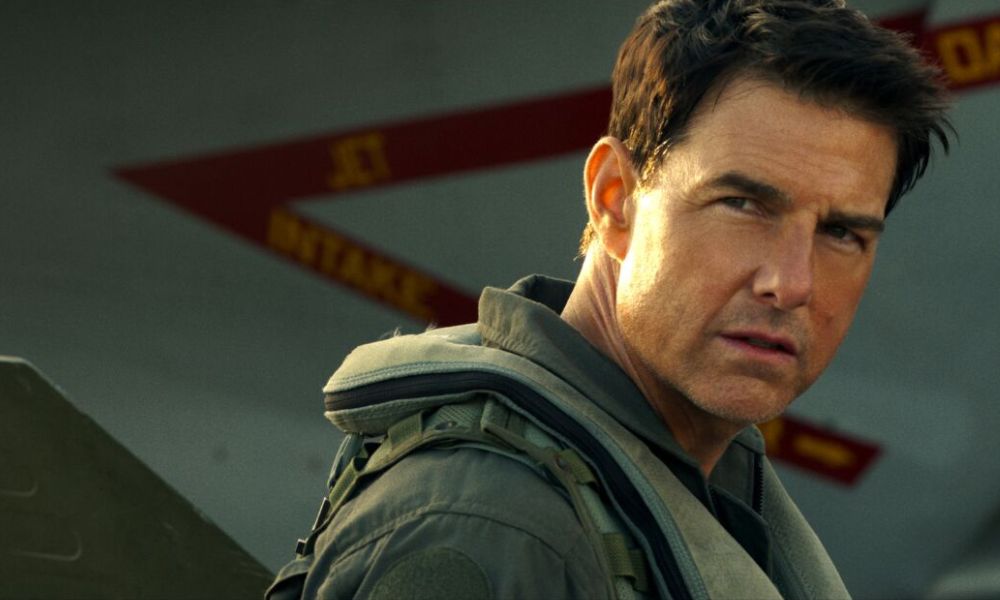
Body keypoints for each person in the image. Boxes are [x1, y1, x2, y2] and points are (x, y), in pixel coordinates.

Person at [268, 1, 952, 598]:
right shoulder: (498, 530)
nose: (792, 282)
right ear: (615, 199)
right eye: (742, 204)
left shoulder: (694, 482)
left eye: (841, 233)